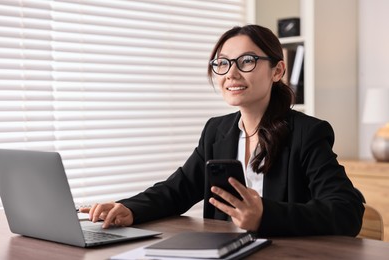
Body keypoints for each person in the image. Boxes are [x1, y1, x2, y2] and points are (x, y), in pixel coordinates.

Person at [80, 24, 364, 237]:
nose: (231, 73)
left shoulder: (307, 133)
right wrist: (130, 208)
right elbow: (178, 190)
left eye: (247, 61)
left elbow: (347, 211)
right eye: (222, 63)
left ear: (277, 71)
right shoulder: (217, 130)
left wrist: (265, 215)